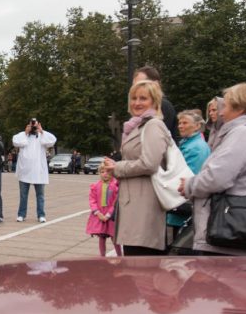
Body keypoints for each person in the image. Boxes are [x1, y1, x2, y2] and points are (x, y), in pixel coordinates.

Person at [177, 82, 246, 256]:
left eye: (225, 106)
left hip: (226, 234)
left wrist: (189, 185)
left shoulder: (242, 134)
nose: (220, 112)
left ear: (240, 108)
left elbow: (218, 178)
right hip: (242, 230)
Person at [102, 80, 172, 255]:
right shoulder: (138, 126)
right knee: (134, 264)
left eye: (143, 98)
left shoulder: (153, 125)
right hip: (135, 203)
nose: (137, 103)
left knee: (141, 266)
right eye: (133, 98)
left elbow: (150, 163)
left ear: (154, 101)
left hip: (145, 205)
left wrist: (118, 167)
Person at [168, 109, 211, 233]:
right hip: (182, 206)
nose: (180, 126)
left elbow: (189, 176)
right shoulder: (188, 144)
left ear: (197, 126)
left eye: (185, 123)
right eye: (180, 123)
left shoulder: (197, 148)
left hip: (184, 207)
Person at [12, 118, 56, 222]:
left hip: (38, 171)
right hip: (25, 171)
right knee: (23, 195)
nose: (33, 127)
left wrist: (41, 131)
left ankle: (41, 215)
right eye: (32, 125)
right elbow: (15, 142)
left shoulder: (42, 136)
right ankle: (21, 214)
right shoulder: (22, 135)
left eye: (35, 125)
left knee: (40, 195)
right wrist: (26, 133)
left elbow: (52, 140)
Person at [133, 66, 180, 143]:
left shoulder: (163, 106)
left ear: (155, 84)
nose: (136, 88)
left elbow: (153, 143)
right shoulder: (143, 108)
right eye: (135, 85)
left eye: (142, 84)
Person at [86, 163, 119, 256]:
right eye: (102, 171)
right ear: (99, 173)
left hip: (111, 217)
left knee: (114, 238)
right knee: (102, 237)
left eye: (108, 171)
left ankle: (121, 257)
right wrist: (97, 212)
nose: (105, 174)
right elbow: (92, 200)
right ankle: (102, 257)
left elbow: (115, 202)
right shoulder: (95, 186)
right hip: (99, 216)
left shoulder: (115, 186)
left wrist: (108, 214)